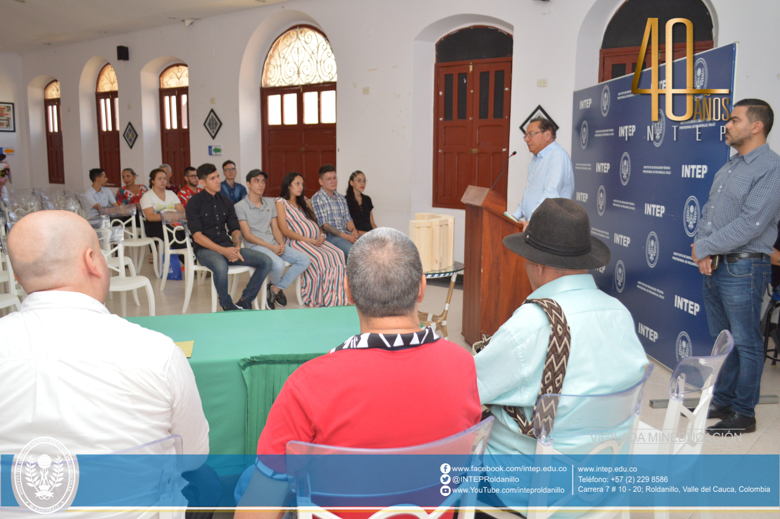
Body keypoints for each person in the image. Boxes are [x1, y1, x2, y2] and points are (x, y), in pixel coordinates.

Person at [236, 228, 482, 511]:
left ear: (348, 291)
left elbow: (257, 510)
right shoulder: (463, 364)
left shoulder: (307, 385)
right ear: (422, 288)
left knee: (248, 481)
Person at [0, 210, 209, 457]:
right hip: (139, 495)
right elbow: (194, 456)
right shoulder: (157, 352)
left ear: (17, 276)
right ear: (92, 261)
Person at [474, 198, 649, 456]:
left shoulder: (530, 324)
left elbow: (469, 389)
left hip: (529, 484)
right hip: (605, 472)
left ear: (538, 265)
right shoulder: (619, 313)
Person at [691, 99, 780, 435]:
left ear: (756, 126)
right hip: (717, 265)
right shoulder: (730, 167)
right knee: (723, 339)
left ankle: (745, 412)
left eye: (733, 120)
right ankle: (724, 400)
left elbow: (751, 224)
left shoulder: (771, 168)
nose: (726, 125)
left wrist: (705, 247)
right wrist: (704, 251)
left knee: (746, 341)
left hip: (745, 269)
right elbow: (710, 213)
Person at [186, 163, 273, 311]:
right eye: (212, 178)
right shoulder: (194, 203)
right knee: (221, 266)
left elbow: (235, 229)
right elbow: (198, 237)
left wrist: (237, 247)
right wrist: (224, 251)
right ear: (203, 182)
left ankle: (245, 300)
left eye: (218, 176)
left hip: (228, 247)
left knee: (265, 261)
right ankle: (227, 304)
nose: (218, 180)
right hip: (205, 250)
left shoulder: (225, 202)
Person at [235, 169, 311, 310]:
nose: (261, 184)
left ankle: (275, 288)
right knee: (279, 264)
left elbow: (275, 228)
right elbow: (248, 235)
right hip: (255, 246)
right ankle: (277, 289)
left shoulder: (270, 203)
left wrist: (281, 243)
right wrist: (272, 247)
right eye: (256, 181)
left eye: (263, 181)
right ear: (248, 184)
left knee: (304, 260)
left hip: (273, 243)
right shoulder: (240, 207)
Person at [276, 171, 347, 307]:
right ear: (288, 186)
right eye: (297, 184)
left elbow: (315, 222)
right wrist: (309, 240)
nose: (300, 187)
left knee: (338, 254)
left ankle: (337, 297)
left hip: (316, 240)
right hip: (297, 242)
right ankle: (319, 296)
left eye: (302, 184)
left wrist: (321, 235)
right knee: (321, 258)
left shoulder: (305, 202)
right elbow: (284, 230)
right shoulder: (280, 202)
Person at [510, 117, 574, 231]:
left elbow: (550, 194)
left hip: (550, 227)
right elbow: (529, 194)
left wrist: (532, 220)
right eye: (526, 135)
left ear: (547, 135)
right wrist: (514, 217)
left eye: (531, 134)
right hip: (536, 225)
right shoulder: (536, 158)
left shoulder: (557, 156)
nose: (526, 139)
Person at [311, 164, 359, 261]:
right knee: (351, 251)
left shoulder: (341, 198)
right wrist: (347, 237)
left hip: (346, 234)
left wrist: (354, 231)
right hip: (330, 237)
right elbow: (325, 226)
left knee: (370, 245)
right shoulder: (317, 198)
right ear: (321, 181)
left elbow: (348, 220)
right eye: (329, 179)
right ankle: (347, 276)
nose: (333, 181)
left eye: (334, 178)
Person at [140, 168, 185, 241]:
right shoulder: (147, 196)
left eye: (164, 179)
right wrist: (169, 216)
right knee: (174, 235)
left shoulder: (171, 194)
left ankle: (189, 248)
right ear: (152, 181)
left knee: (187, 233)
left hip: (173, 223)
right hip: (154, 225)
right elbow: (150, 217)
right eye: (159, 179)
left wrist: (175, 216)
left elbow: (181, 211)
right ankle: (183, 249)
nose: (163, 181)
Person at [345, 170, 377, 235]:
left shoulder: (367, 199)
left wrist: (377, 232)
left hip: (369, 234)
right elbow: (347, 227)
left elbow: (372, 223)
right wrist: (367, 234)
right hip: (355, 235)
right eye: (359, 181)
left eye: (364, 181)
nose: (362, 184)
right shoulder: (345, 200)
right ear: (351, 183)